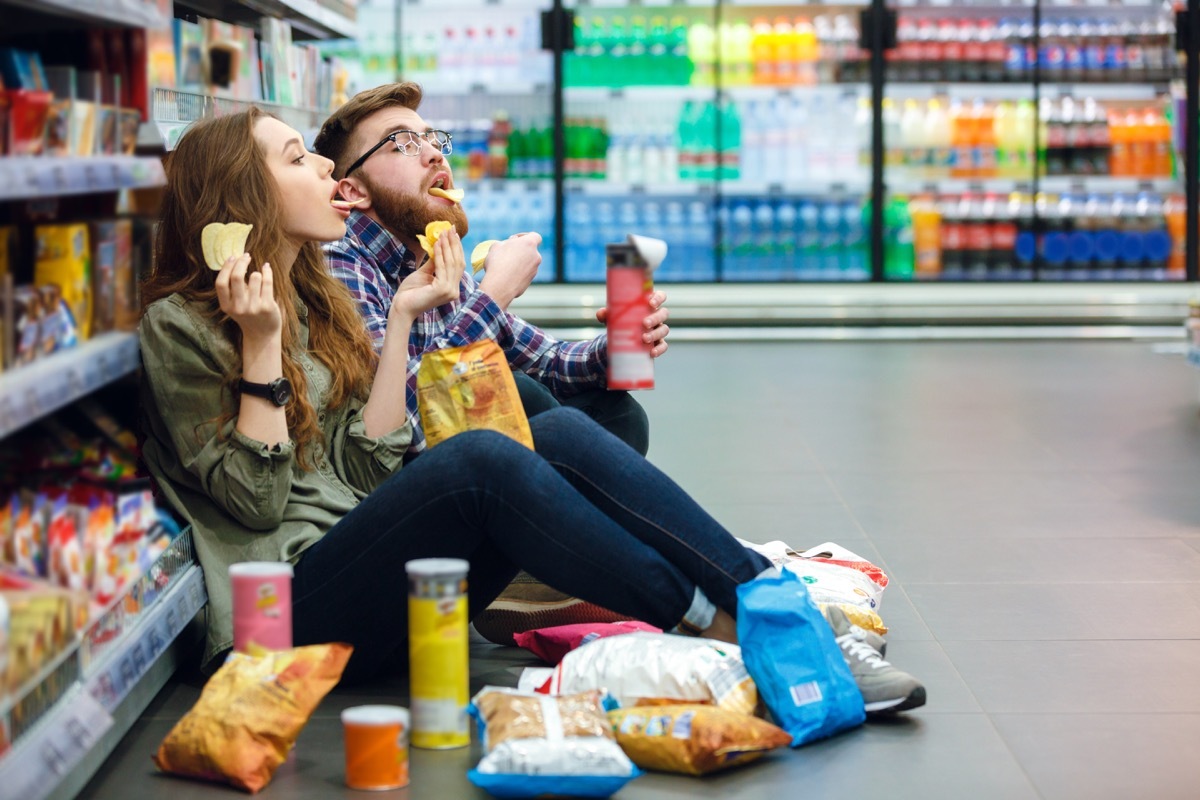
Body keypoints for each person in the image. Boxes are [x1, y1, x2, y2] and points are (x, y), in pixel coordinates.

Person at [136, 108, 925, 713]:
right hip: (279, 619)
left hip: (365, 560)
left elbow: (363, 462)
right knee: (487, 456)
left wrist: (410, 315)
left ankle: (765, 602)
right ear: (244, 197)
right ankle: (739, 632)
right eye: (295, 157)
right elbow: (261, 499)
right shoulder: (185, 326)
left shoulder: (311, 296)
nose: (322, 168)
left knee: (550, 426)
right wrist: (261, 348)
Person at [311, 82, 667, 460]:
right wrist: (495, 293)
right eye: (403, 143)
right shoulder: (341, 262)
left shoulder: (432, 257)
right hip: (408, 484)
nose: (434, 154)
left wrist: (616, 347)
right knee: (521, 392)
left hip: (467, 464)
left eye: (431, 139)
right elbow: (404, 431)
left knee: (618, 414)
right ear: (353, 191)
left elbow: (547, 360)